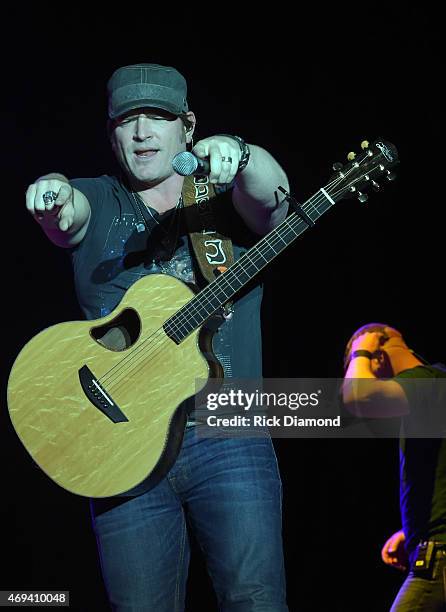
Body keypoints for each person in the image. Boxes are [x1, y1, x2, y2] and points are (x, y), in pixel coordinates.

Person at [25, 63, 290, 611]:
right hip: (119, 451)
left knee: (255, 600)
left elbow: (273, 201)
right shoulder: (99, 197)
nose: (142, 131)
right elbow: (66, 216)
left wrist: (242, 155)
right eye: (128, 120)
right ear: (112, 133)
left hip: (228, 430)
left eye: (158, 117)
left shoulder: (223, 196)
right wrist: (52, 195)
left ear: (186, 126)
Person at [342, 322, 446, 611]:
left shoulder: (425, 381)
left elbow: (356, 396)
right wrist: (412, 531)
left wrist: (360, 350)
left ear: (378, 356)